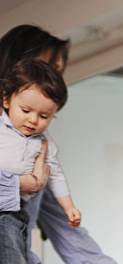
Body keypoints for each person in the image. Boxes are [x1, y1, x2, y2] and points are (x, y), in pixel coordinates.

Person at [0, 24, 123, 264]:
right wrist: (20, 185)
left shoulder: (36, 146)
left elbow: (64, 226)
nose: (54, 79)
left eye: (58, 71)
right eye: (47, 67)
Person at [1, 60, 81, 226]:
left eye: (44, 116)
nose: (33, 120)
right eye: (25, 110)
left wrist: (69, 207)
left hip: (17, 207)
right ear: (7, 101)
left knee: (16, 248)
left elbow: (55, 175)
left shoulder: (44, 142)